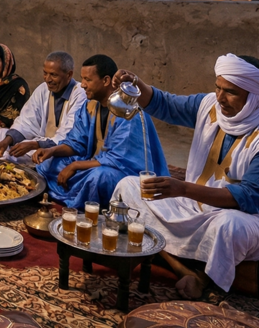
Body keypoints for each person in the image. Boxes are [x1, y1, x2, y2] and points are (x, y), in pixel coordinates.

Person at [111, 54, 259, 299]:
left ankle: (201, 280)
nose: (220, 97)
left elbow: (249, 197)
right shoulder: (209, 106)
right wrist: (138, 84)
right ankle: (180, 268)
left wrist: (182, 189)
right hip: (191, 206)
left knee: (229, 227)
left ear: (253, 96)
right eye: (218, 88)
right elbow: (165, 104)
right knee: (128, 187)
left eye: (230, 92)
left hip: (239, 216)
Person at [32, 54, 168, 209]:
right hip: (94, 163)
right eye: (82, 79)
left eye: (87, 80)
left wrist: (76, 165)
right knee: (47, 163)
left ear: (106, 81)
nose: (82, 85)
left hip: (124, 173)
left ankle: (85, 209)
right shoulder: (89, 106)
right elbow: (76, 142)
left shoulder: (129, 112)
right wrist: (51, 150)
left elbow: (119, 159)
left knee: (99, 178)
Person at [0, 51, 87, 163]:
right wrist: (7, 141)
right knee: (1, 135)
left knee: (52, 160)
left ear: (69, 75)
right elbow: (26, 121)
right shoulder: (43, 89)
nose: (48, 79)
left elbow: (69, 136)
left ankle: (10, 161)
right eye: (45, 73)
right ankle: (7, 161)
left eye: (53, 75)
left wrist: (34, 144)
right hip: (39, 144)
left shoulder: (80, 93)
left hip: (59, 150)